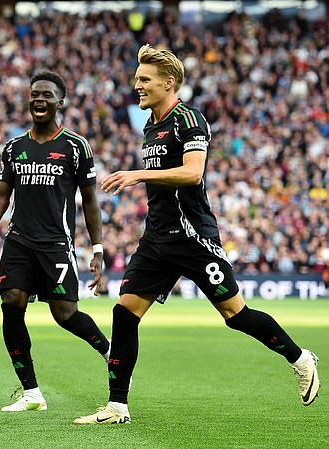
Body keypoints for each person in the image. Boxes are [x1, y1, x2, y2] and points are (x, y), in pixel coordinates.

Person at [74, 44, 320, 425]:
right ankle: (117, 406)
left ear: (168, 83)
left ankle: (300, 357)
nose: (136, 85)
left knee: (235, 315)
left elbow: (193, 173)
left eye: (144, 79)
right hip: (156, 238)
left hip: (192, 236)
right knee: (124, 313)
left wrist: (138, 174)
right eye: (137, 78)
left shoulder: (189, 120)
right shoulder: (151, 126)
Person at [0, 71, 110, 412]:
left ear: (60, 102)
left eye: (46, 95)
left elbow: (90, 201)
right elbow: (2, 194)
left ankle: (109, 351)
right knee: (11, 303)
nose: (39, 100)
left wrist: (98, 249)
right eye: (34, 94)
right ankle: (31, 391)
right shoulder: (14, 148)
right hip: (18, 242)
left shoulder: (76, 147)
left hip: (57, 245)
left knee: (65, 314)